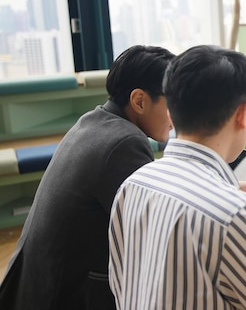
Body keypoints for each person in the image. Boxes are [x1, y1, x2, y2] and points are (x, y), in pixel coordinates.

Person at [108, 45, 246, 309]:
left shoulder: (132, 185)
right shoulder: (236, 214)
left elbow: (121, 286)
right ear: (241, 115)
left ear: (170, 113)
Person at [0, 45, 175, 310]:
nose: (177, 115)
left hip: (31, 287)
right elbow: (160, 222)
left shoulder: (94, 122)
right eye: (172, 101)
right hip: (63, 296)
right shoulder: (125, 142)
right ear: (139, 100)